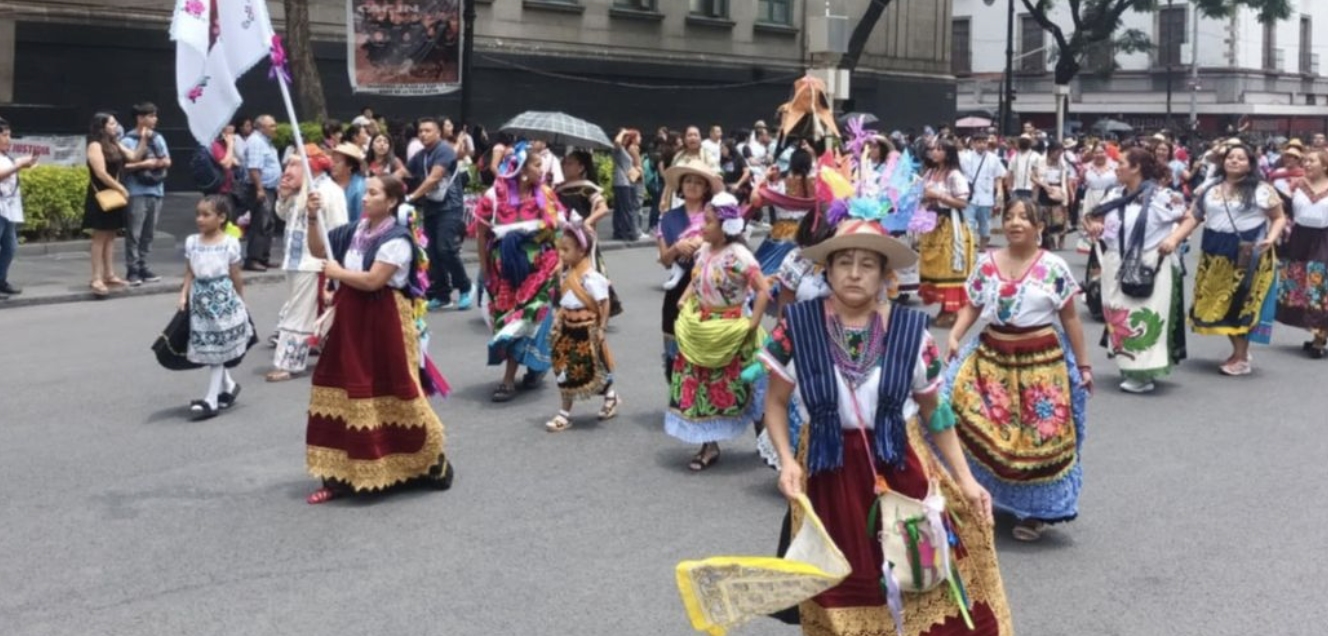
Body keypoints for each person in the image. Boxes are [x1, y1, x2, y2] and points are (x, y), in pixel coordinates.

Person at [763, 220, 1011, 636]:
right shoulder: (797, 327)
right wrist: (787, 461)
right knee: (842, 599)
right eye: (844, 262)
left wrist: (966, 480)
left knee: (922, 583)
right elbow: (775, 402)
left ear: (884, 276)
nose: (854, 273)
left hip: (900, 477)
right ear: (827, 269)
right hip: (829, 482)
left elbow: (937, 413)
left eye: (867, 264)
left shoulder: (912, 333)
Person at [945, 195, 1091, 541]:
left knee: (1036, 441)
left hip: (1040, 365)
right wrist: (953, 337)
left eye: (1024, 217)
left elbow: (1070, 317)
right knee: (953, 407)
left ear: (1039, 227)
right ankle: (976, 492)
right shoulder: (987, 263)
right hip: (991, 356)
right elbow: (972, 305)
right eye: (1009, 216)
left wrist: (1083, 365)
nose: (1014, 223)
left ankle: (1035, 513)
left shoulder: (1054, 267)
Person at [302, 174, 453, 504]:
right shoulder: (356, 230)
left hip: (383, 320)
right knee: (341, 389)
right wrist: (313, 216)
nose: (365, 198)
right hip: (350, 319)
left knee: (392, 388)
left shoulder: (397, 238)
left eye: (373, 193)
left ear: (391, 201)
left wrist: (339, 274)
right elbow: (318, 249)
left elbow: (374, 281)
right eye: (366, 192)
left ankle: (428, 460)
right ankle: (341, 476)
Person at [1159, 142, 1287, 376]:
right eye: (1230, 157)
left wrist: (1271, 237)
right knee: (1218, 305)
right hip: (1214, 253)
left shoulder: (1262, 189)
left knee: (1240, 304)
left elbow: (1278, 217)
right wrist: (1174, 239)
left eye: (1241, 158)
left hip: (1247, 254)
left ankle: (1240, 358)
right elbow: (1194, 217)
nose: (1234, 161)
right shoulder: (1211, 189)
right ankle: (1240, 349)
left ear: (1250, 164)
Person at [666, 192, 769, 471]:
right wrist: (685, 297)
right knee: (703, 388)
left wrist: (753, 323)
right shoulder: (704, 251)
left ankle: (766, 441)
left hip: (734, 331)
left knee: (749, 387)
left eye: (708, 222)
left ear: (725, 226)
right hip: (702, 329)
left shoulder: (739, 256)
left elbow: (763, 291)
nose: (702, 227)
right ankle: (708, 444)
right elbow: (696, 278)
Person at [1083, 148, 1188, 393]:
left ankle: (1143, 374)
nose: (1115, 166)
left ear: (1136, 167)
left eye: (1120, 162)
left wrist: (1173, 239)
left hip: (1148, 263)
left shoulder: (1162, 197)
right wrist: (1094, 225)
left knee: (1142, 314)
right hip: (1114, 262)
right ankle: (1128, 365)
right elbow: (1091, 217)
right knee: (1117, 312)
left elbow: (1190, 217)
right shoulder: (1114, 193)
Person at [474, 142, 562, 402]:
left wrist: (559, 264)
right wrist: (485, 268)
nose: (542, 169)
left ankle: (514, 377)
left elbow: (557, 231)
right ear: (522, 170)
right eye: (537, 165)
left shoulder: (545, 195)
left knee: (536, 317)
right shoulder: (494, 196)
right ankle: (519, 372)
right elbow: (481, 235)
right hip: (506, 272)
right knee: (512, 321)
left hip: (542, 267)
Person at [269, 150, 349, 382]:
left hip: (313, 262)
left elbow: (339, 229)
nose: (287, 170)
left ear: (311, 166)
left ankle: (288, 362)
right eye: (288, 164)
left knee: (297, 314)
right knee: (302, 310)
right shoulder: (303, 190)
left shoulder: (328, 192)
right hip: (294, 260)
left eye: (294, 164)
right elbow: (285, 216)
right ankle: (326, 349)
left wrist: (334, 266)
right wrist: (283, 196)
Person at [176, 195, 253, 420]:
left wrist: (240, 300)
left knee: (217, 350)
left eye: (206, 214)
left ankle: (211, 399)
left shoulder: (229, 243)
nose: (200, 219)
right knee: (210, 346)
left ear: (221, 218)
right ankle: (228, 386)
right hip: (200, 299)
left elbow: (235, 274)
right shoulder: (192, 241)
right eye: (198, 214)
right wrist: (183, 294)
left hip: (223, 300)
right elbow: (190, 270)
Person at [546, 220, 621, 432]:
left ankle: (610, 396)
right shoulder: (566, 274)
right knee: (564, 370)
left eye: (566, 249)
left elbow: (603, 303)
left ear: (581, 251)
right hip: (568, 329)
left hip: (586, 331)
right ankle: (564, 412)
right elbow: (563, 301)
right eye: (560, 249)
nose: (561, 254)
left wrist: (602, 329)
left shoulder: (591, 277)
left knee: (590, 371)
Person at [657, 164, 722, 381]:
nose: (692, 186)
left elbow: (726, 247)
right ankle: (677, 389)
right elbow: (664, 260)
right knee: (673, 338)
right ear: (681, 186)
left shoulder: (715, 215)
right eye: (688, 181)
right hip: (678, 285)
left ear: (706, 188)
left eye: (698, 182)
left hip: (707, 284)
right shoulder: (668, 218)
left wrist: (702, 241)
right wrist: (677, 247)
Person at [405, 117, 473, 311]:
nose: (423, 134)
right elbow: (404, 172)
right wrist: (384, 183)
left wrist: (411, 196)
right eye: (421, 131)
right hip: (431, 207)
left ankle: (465, 287)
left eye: (428, 130)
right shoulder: (422, 155)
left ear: (437, 133)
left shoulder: (444, 150)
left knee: (446, 248)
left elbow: (434, 177)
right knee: (431, 251)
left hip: (450, 206)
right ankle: (442, 293)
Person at [1275, 147, 1328, 358]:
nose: (1306, 164)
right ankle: (1317, 331)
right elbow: (1285, 210)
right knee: (1301, 287)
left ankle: (1320, 337)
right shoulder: (1296, 185)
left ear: (1324, 165)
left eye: (1311, 161)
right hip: (1298, 239)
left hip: (1324, 239)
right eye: (1305, 161)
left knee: (1318, 285)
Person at [557, 149, 622, 316]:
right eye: (564, 162)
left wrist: (588, 221)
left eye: (570, 163)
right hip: (563, 237)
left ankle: (596, 306)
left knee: (589, 272)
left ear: (580, 167)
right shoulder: (558, 189)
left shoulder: (587, 188)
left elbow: (603, 208)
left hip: (582, 238)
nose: (565, 166)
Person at [917, 137, 973, 328]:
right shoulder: (931, 172)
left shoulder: (954, 175)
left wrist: (938, 195)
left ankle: (951, 311)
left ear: (948, 153)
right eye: (932, 149)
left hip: (950, 224)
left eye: (939, 149)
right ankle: (943, 308)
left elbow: (962, 202)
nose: (934, 152)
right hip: (932, 223)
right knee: (935, 266)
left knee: (949, 265)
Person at [121, 102, 170, 286]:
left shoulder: (158, 138)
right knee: (134, 232)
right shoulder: (127, 140)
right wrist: (144, 164)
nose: (155, 119)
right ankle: (132, 269)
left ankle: (143, 266)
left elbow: (167, 160)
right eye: (151, 116)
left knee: (148, 233)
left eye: (155, 115)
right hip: (136, 191)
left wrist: (157, 163)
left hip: (156, 190)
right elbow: (124, 166)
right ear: (140, 118)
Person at [83, 112, 132, 297]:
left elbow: (132, 156)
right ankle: (96, 277)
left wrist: (143, 139)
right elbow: (101, 173)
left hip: (113, 194)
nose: (116, 126)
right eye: (112, 123)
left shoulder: (113, 143)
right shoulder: (95, 145)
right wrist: (121, 188)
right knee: (100, 236)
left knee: (111, 235)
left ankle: (109, 274)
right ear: (102, 126)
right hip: (102, 194)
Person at [749, 148, 817, 277]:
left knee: (767, 274)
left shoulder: (780, 185)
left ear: (791, 164)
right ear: (809, 166)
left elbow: (755, 201)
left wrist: (764, 176)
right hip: (808, 235)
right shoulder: (818, 186)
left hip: (783, 232)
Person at [0, 118, 36, 299]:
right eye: (4, 135)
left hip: (7, 208)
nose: (8, 139)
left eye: (9, 135)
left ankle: (1, 281)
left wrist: (23, 164)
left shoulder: (5, 156)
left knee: (10, 246)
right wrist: (19, 166)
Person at [243, 114, 282, 272]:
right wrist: (259, 189)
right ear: (261, 127)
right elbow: (254, 168)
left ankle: (263, 257)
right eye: (271, 125)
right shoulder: (256, 142)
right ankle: (253, 259)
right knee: (260, 223)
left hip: (269, 188)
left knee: (268, 224)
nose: (275, 128)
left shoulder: (265, 142)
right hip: (261, 188)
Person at [961, 135, 1006, 251]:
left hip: (986, 197)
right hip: (970, 197)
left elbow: (998, 177)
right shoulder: (966, 157)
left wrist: (1000, 192)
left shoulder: (994, 158)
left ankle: (982, 248)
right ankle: (968, 249)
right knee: (968, 225)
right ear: (973, 144)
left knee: (985, 226)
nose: (981, 145)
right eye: (979, 142)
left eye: (984, 142)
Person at [1035, 141, 1074, 250]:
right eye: (1056, 152)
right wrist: (1044, 185)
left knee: (1059, 218)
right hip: (1044, 189)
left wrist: (1068, 192)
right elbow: (1033, 176)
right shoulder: (1040, 161)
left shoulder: (1062, 163)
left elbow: (1065, 179)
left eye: (1060, 152)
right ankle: (1048, 239)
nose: (1058, 155)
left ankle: (1061, 238)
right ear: (1050, 151)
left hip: (1058, 190)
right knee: (1045, 216)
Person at [612, 129, 643, 241]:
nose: (625, 140)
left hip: (625, 181)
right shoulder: (619, 150)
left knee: (621, 208)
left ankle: (620, 232)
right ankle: (629, 232)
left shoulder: (623, 150)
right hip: (622, 182)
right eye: (624, 138)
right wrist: (622, 132)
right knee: (626, 208)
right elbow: (617, 142)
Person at [330, 142, 367, 224]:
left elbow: (359, 220)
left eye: (337, 162)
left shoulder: (359, 188)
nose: (332, 164)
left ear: (350, 166)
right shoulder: (328, 183)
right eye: (332, 160)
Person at [1005, 133, 1042, 201]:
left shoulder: (1036, 156)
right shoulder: (1014, 157)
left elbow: (1039, 174)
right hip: (1016, 189)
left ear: (1030, 143)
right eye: (1022, 140)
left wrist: (1036, 188)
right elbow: (1010, 172)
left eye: (1026, 141)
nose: (1024, 142)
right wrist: (1009, 186)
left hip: (1030, 189)